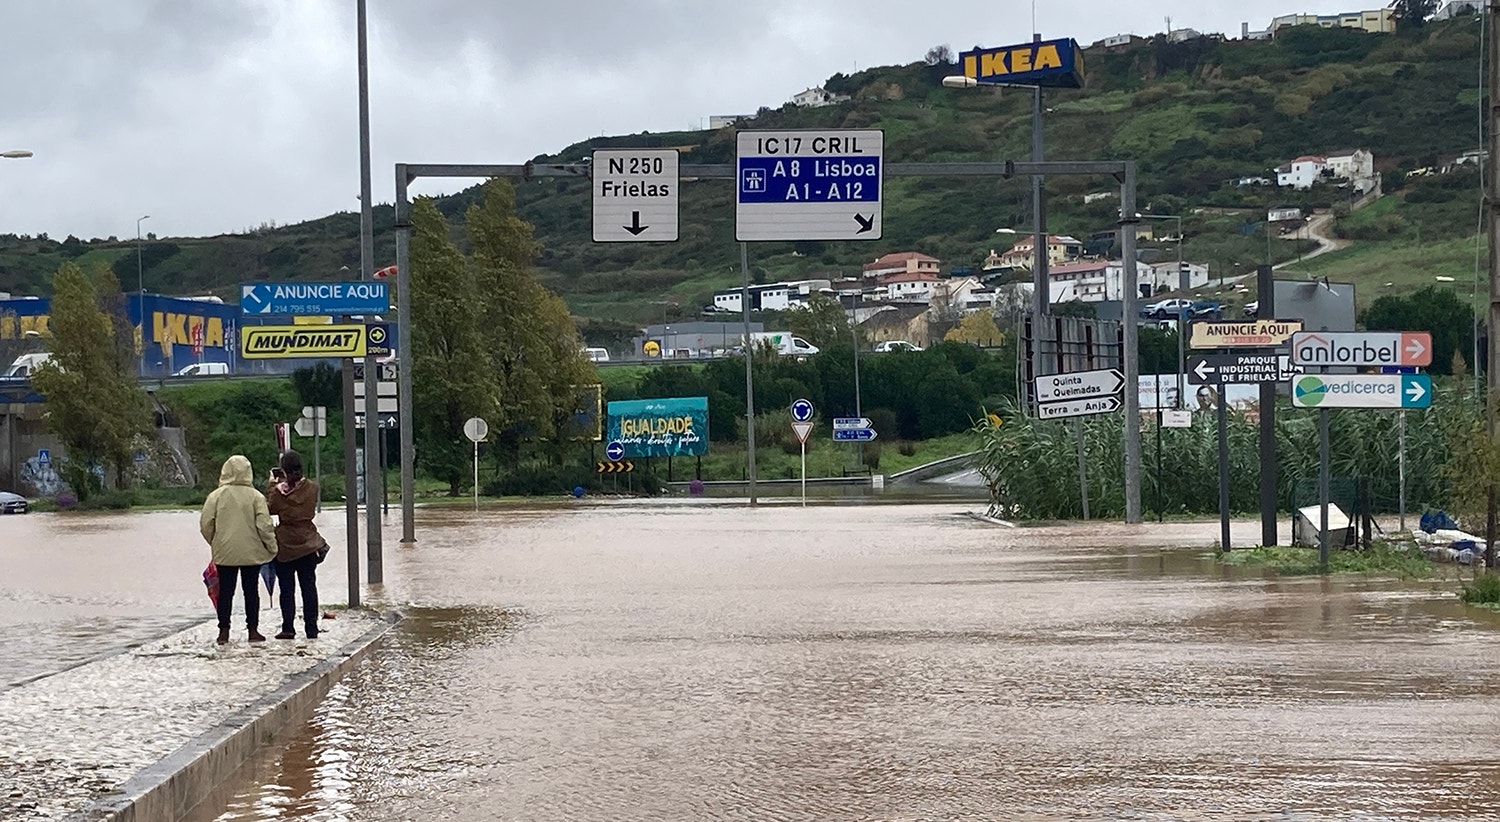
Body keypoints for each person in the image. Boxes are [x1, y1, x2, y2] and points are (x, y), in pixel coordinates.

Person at [200, 455, 278, 644]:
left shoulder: (215, 496)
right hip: (252, 552)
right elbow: (264, 526)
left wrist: (215, 542)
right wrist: (271, 547)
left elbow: (205, 524)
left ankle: (224, 632)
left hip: (224, 553)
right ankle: (253, 630)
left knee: (226, 591)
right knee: (251, 591)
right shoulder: (256, 497)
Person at [265, 451, 325, 639]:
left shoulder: (278, 493)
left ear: (283, 470)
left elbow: (269, 509)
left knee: (287, 589)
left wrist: (273, 484)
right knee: (309, 587)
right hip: (308, 542)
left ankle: (288, 628)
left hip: (286, 545)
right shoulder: (313, 488)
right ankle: (311, 628)